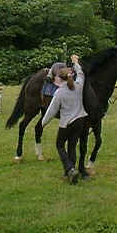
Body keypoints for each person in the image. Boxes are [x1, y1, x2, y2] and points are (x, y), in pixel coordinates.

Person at [42, 55, 88, 185]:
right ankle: (71, 173)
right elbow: (80, 73)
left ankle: (70, 169)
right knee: (72, 146)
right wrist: (76, 62)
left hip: (66, 123)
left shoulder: (59, 92)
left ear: (58, 78)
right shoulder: (79, 85)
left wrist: (43, 123)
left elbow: (51, 111)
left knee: (60, 145)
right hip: (80, 121)